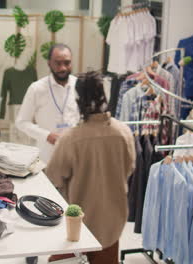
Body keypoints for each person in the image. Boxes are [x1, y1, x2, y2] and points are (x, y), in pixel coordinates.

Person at [46, 71, 136, 264]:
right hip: (113, 221)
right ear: (105, 95)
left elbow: (54, 176)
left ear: (78, 99)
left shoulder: (70, 139)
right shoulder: (124, 132)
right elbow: (129, 168)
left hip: (77, 224)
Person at [15, 43, 79, 163]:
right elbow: (21, 122)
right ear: (49, 63)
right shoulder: (36, 89)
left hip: (75, 155)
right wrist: (46, 136)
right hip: (47, 156)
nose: (63, 68)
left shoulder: (79, 85)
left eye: (67, 63)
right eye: (58, 63)